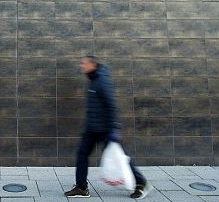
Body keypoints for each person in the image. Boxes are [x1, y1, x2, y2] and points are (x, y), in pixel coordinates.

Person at [64, 56, 153, 199]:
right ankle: (81, 187)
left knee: (120, 158)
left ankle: (141, 183)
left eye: (84, 64)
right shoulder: (93, 80)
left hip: (105, 130)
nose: (82, 66)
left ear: (92, 64)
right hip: (92, 129)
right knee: (82, 155)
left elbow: (112, 105)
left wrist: (114, 129)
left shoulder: (102, 81)